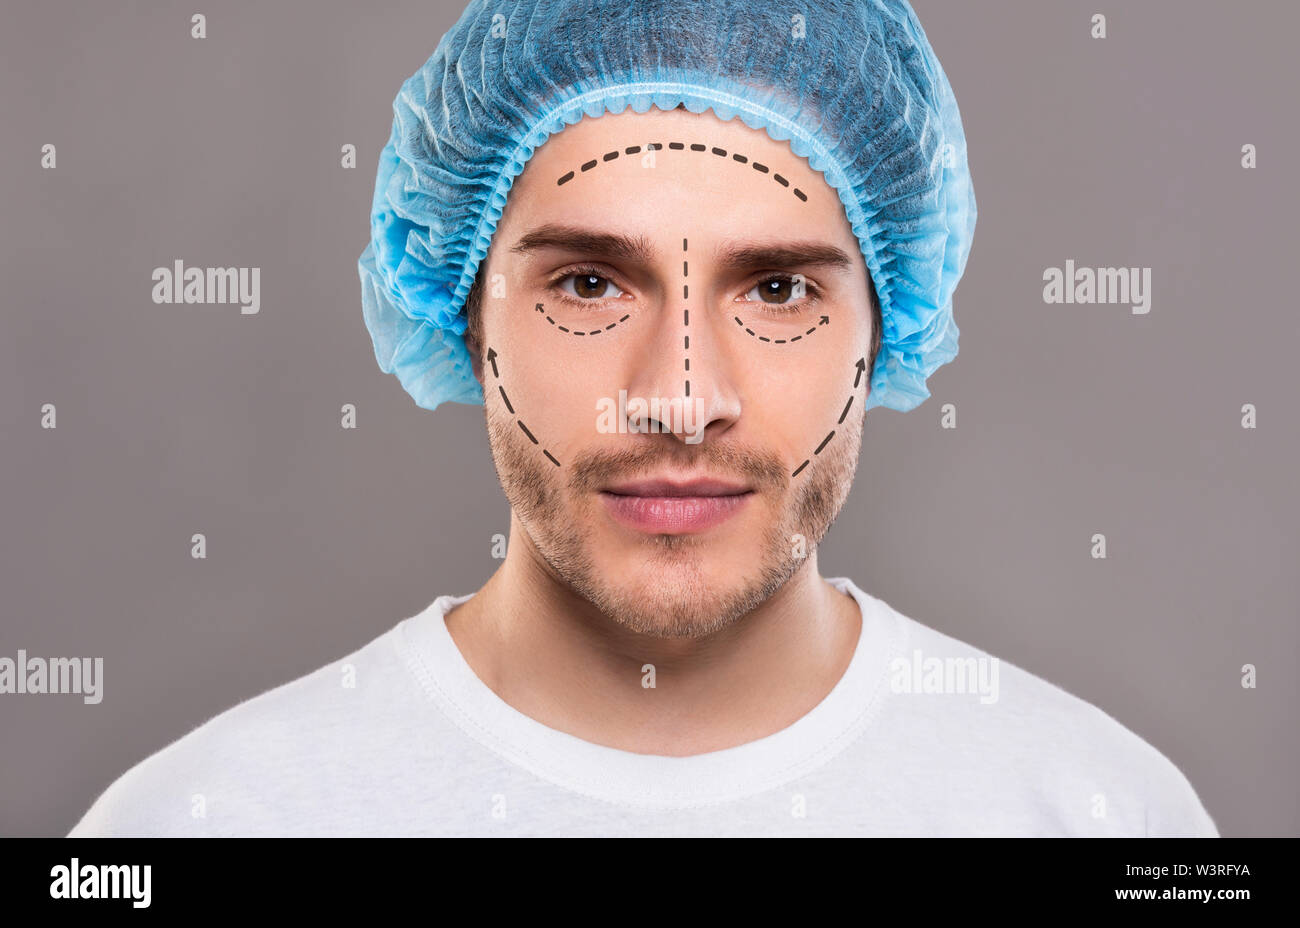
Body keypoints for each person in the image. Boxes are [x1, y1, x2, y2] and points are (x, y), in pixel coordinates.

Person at [69, 0, 1216, 836]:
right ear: (464, 311)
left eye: (776, 289)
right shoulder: (194, 824)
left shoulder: (1105, 816)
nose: (677, 399)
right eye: (587, 284)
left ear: (887, 324)